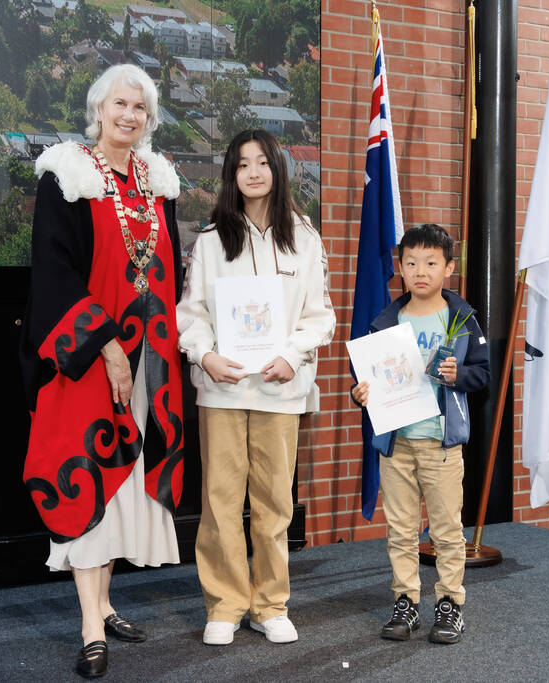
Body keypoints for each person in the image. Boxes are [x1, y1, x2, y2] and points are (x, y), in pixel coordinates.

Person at [18, 64, 184, 679]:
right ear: (99, 108)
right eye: (120, 104)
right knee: (90, 478)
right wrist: (107, 346)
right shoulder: (69, 177)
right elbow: (54, 275)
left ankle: (105, 601)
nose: (130, 116)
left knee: (123, 483)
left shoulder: (156, 181)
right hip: (86, 360)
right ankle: (91, 625)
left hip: (150, 365)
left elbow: (166, 272)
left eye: (140, 108)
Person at [176, 130, 335, 646]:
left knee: (274, 502)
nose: (253, 172)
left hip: (279, 390)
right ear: (232, 174)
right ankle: (225, 603)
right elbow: (190, 315)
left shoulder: (305, 238)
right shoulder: (209, 239)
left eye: (262, 162)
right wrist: (206, 355)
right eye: (242, 164)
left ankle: (270, 604)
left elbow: (320, 317)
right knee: (221, 500)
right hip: (222, 389)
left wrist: (292, 356)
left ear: (277, 169)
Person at [350, 224, 490, 645]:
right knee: (401, 529)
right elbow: (366, 377)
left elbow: (483, 373)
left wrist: (459, 374)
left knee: (447, 530)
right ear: (401, 268)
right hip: (396, 443)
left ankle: (449, 605)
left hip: (441, 444)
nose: (420, 271)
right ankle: (406, 603)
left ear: (449, 267)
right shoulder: (385, 321)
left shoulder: (462, 318)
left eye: (431, 263)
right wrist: (360, 393)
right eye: (411, 263)